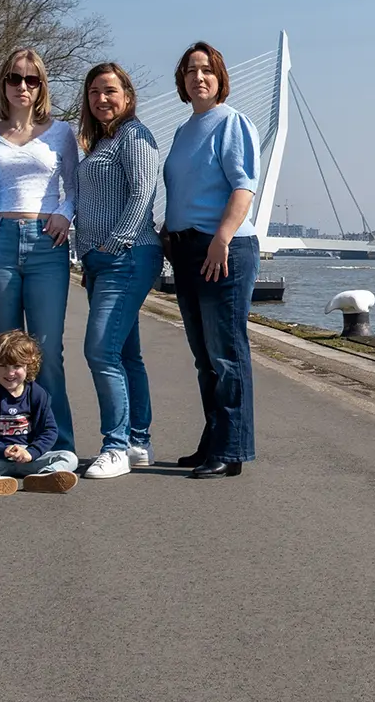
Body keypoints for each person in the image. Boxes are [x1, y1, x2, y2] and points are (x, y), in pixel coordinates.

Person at [164, 41, 260, 479]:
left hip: (222, 249)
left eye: (205, 70)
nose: (197, 77)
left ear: (220, 77)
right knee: (204, 357)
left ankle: (232, 448)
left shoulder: (232, 122)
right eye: (189, 71)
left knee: (226, 353)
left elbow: (243, 187)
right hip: (186, 250)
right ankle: (214, 440)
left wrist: (222, 237)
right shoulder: (186, 129)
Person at [0, 48, 79, 453]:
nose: (23, 86)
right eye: (15, 78)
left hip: (45, 243)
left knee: (46, 350)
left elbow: (74, 186)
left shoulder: (60, 133)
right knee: (5, 351)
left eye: (31, 79)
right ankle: (6, 445)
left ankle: (59, 446)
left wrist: (64, 214)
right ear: (3, 84)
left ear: (41, 87)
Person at [71, 61, 162, 480]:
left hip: (127, 256)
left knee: (100, 350)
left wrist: (116, 242)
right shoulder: (100, 141)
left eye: (109, 91)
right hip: (101, 260)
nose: (101, 99)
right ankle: (138, 441)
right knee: (126, 353)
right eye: (94, 92)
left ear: (127, 95)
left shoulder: (134, 134)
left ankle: (115, 445)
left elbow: (144, 191)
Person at [0, 330, 80, 496]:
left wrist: (32, 452)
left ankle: (45, 477)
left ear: (28, 366)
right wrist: (1, 449)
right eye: (3, 366)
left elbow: (49, 430)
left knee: (69, 457)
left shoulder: (38, 395)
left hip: (29, 455)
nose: (10, 373)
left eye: (17, 366)